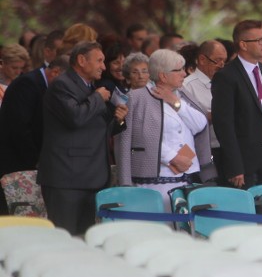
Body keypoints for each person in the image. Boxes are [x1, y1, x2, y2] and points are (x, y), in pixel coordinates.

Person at [38, 41, 128, 234]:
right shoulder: (62, 85)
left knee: (85, 238)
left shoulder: (90, 87)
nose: (104, 67)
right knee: (65, 238)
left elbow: (95, 129)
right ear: (81, 60)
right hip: (67, 180)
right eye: (100, 61)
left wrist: (118, 121)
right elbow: (75, 118)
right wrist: (97, 97)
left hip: (90, 177)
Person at [115, 50, 216, 208]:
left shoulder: (182, 94)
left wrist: (175, 102)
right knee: (157, 227)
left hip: (184, 174)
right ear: (163, 75)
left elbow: (200, 125)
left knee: (182, 228)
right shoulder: (138, 97)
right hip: (154, 178)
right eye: (179, 70)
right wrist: (172, 158)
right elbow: (141, 135)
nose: (184, 73)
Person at [211, 20, 262, 189]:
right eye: (260, 40)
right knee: (246, 211)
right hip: (243, 160)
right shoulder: (227, 76)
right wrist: (234, 166)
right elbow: (224, 124)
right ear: (243, 45)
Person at [0, 56, 69, 195]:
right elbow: (19, 128)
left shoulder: (40, 84)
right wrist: (35, 160)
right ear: (55, 72)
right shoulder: (27, 84)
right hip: (17, 163)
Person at [181, 40, 228, 167]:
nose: (222, 65)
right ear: (202, 59)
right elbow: (184, 122)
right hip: (200, 151)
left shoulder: (226, 83)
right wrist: (210, 116)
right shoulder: (186, 86)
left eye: (224, 61)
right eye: (217, 60)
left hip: (226, 149)